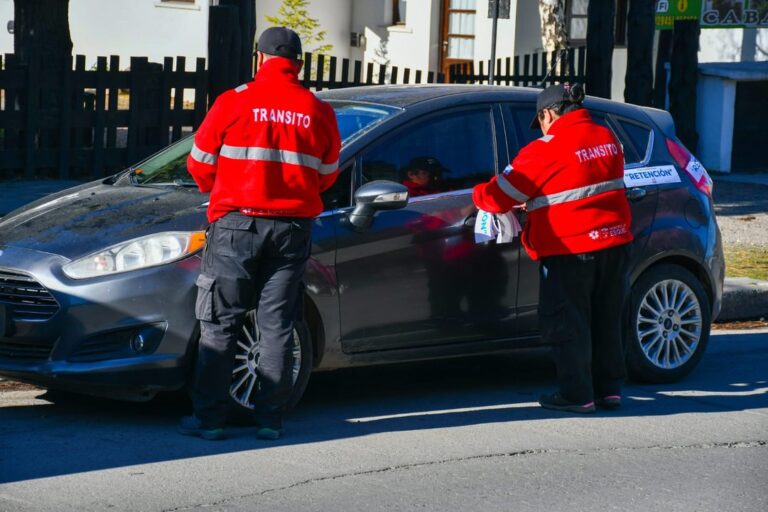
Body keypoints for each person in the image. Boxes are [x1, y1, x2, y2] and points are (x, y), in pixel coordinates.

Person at [180, 26, 341, 440]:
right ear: (299, 64)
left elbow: (199, 162)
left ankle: (210, 419)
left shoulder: (234, 101)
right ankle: (270, 418)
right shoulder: (318, 110)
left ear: (259, 59)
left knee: (220, 322)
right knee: (277, 325)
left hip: (236, 224)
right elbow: (326, 175)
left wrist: (224, 188)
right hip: (291, 229)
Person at [472, 83, 633, 414]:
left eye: (540, 121)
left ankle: (577, 395)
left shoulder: (545, 149)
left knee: (568, 322)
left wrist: (476, 193)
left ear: (547, 114)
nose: (541, 128)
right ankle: (609, 391)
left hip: (570, 248)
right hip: (615, 243)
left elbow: (497, 196)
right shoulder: (607, 138)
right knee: (606, 319)